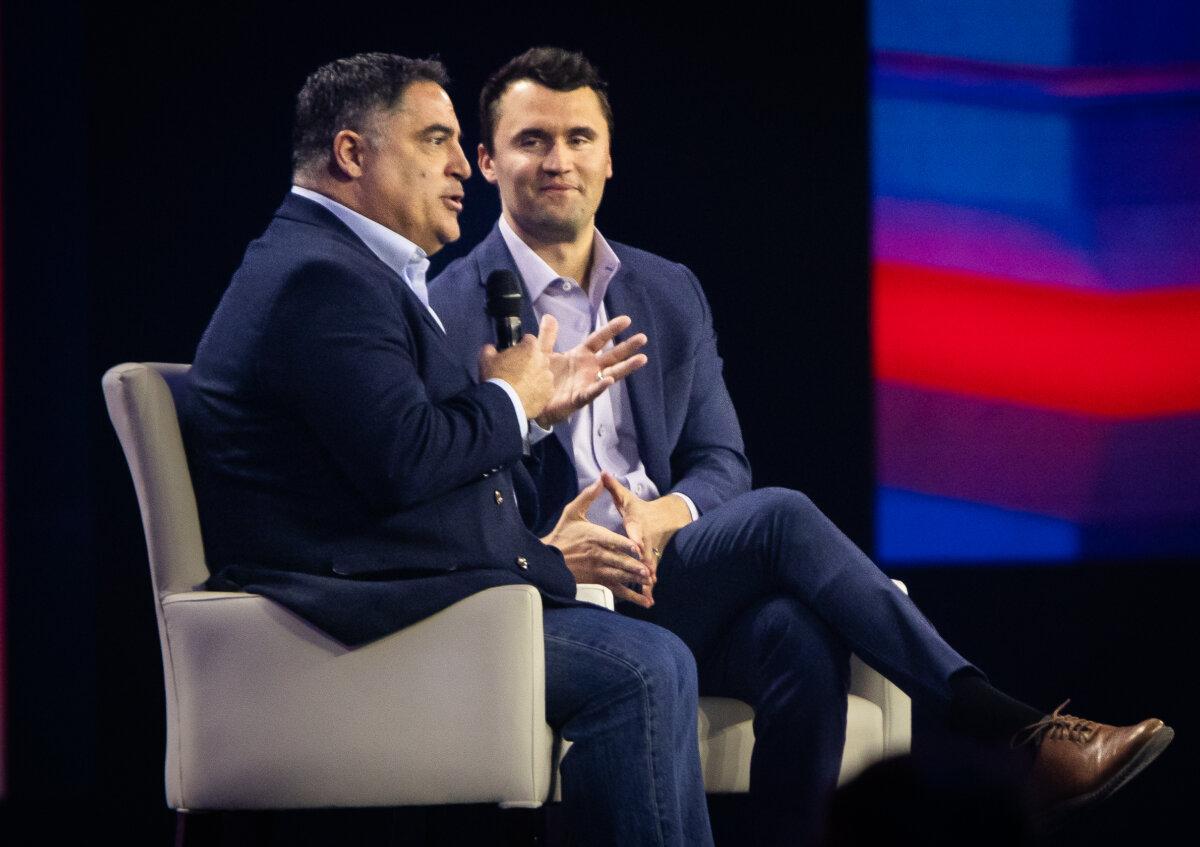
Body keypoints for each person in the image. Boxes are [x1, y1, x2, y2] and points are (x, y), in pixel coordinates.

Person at [429, 46, 1175, 844]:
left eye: (579, 138)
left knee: (797, 639)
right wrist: (549, 516)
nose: (557, 160)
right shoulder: (447, 305)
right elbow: (445, 484)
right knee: (783, 528)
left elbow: (722, 462)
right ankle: (1007, 728)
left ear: (610, 157)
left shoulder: (668, 290)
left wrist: (661, 518)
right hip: (553, 594)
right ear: (487, 160)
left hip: (666, 571)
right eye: (531, 140)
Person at [182, 52, 715, 846]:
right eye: (437, 140)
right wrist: (513, 400)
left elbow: (397, 456)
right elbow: (406, 460)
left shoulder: (348, 269)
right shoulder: (320, 279)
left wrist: (529, 434)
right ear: (353, 153)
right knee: (642, 668)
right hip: (352, 611)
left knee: (655, 653)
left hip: (404, 583)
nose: (465, 165)